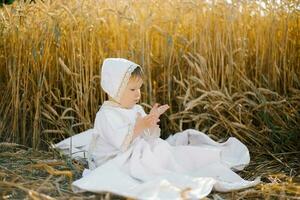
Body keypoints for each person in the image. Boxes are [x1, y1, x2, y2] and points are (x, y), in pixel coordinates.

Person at [55, 58, 260, 199]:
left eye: (140, 89)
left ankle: (201, 160)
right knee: (152, 160)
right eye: (132, 89)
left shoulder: (136, 108)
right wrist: (142, 126)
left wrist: (151, 124)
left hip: (137, 150)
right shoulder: (107, 115)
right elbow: (121, 141)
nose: (138, 94)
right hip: (117, 157)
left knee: (167, 151)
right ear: (114, 90)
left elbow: (149, 137)